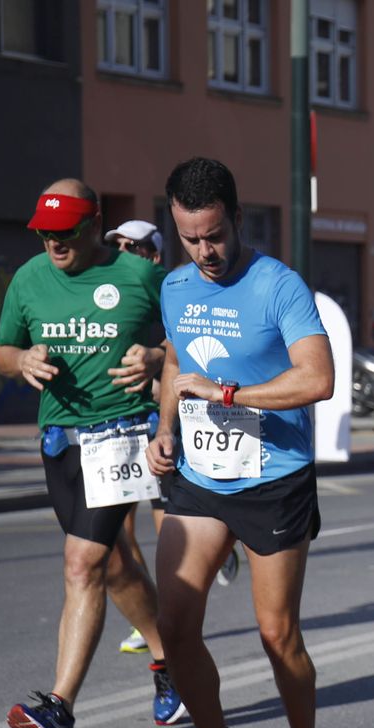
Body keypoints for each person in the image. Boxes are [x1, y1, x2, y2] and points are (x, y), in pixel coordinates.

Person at [147, 157, 335, 728]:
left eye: (215, 235)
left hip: (274, 478)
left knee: (277, 633)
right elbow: (177, 360)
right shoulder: (175, 286)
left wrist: (227, 394)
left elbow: (318, 378)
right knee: (174, 626)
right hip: (200, 477)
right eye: (191, 238)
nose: (205, 251)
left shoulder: (278, 286)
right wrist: (165, 428)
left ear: (237, 218)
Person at [0, 180, 180, 728]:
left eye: (66, 232)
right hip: (60, 443)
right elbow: (2, 353)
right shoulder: (29, 278)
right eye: (44, 233)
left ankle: (60, 708)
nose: (54, 243)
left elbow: (188, 339)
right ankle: (170, 661)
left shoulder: (139, 275)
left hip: (121, 436)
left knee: (82, 563)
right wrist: (22, 359)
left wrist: (157, 355)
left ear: (95, 224)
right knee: (116, 565)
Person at [103, 221, 243, 658]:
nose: (124, 252)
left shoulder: (169, 285)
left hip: (162, 417)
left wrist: (155, 355)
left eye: (133, 246)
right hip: (120, 425)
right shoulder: (108, 289)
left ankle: (213, 553)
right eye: (117, 245)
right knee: (120, 530)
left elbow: (182, 345)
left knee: (169, 532)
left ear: (154, 254)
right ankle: (151, 617)